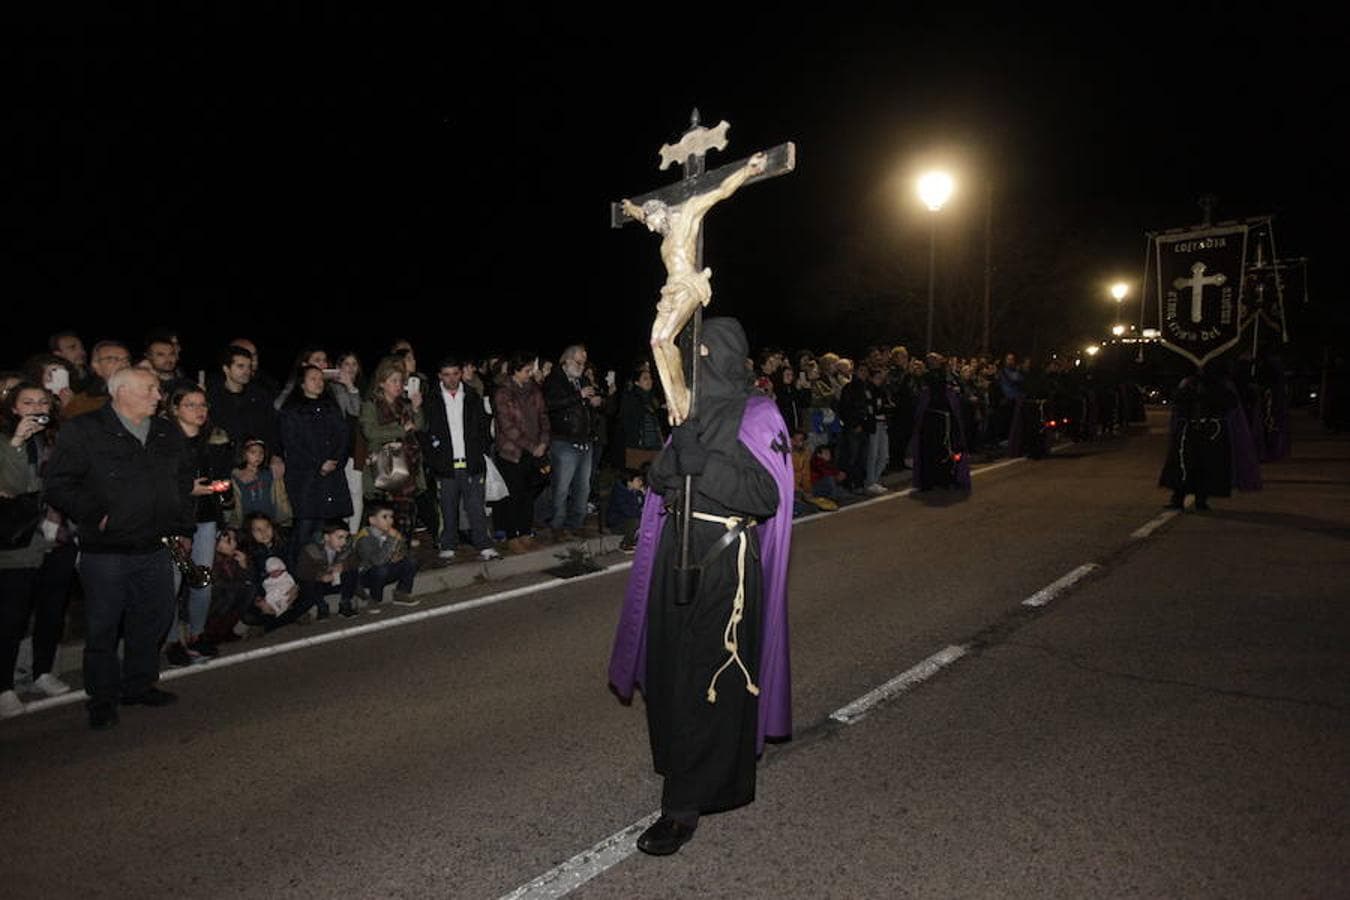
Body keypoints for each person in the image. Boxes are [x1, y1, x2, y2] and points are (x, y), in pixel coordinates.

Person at [608, 317, 794, 857]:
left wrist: (702, 463)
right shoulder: (688, 411)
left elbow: (766, 495)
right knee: (669, 674)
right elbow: (664, 479)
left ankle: (683, 805)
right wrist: (673, 461)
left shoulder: (759, 413)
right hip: (675, 554)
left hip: (724, 563)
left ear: (726, 355)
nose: (696, 366)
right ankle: (681, 761)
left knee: (702, 680)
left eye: (703, 354)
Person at [44, 367, 195, 730]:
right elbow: (59, 484)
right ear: (122, 392)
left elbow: (182, 481)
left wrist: (180, 527)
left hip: (156, 545)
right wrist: (95, 515)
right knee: (103, 627)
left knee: (153, 618)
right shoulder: (84, 430)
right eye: (151, 389)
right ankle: (102, 697)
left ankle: (139, 684)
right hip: (106, 551)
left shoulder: (164, 431)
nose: (159, 396)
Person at [1, 384, 78, 717]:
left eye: (42, 402)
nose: (35, 407)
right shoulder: (7, 440)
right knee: (11, 617)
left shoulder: (57, 439)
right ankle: (3, 687)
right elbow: (13, 486)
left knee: (51, 609)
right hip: (17, 540)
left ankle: (43, 671)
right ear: (13, 408)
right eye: (27, 402)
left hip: (58, 535)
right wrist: (17, 442)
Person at [163, 385, 234, 666]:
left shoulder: (212, 439)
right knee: (173, 582)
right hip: (174, 521)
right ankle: (171, 642)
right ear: (176, 408)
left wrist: (222, 489)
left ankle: (197, 635)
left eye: (203, 404)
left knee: (201, 582)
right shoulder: (165, 441)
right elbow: (159, 482)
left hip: (205, 517)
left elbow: (220, 478)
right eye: (191, 404)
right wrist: (187, 489)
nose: (199, 410)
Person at [423, 355, 499, 562]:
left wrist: (478, 451)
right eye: (446, 375)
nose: (452, 379)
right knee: (447, 508)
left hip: (471, 463)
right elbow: (425, 432)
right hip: (446, 466)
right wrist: (435, 459)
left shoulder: (473, 396)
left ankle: (484, 544)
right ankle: (448, 544)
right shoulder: (431, 400)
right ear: (440, 376)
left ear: (460, 373)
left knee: (476, 507)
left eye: (455, 374)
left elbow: (484, 427)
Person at [1159, 365, 1262, 510]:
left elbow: (1230, 404)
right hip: (1189, 429)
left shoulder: (1221, 385)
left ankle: (1201, 499)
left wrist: (1209, 395)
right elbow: (1178, 401)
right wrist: (1192, 394)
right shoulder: (1188, 383)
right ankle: (1178, 498)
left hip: (1211, 430)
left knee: (1207, 465)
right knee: (1183, 465)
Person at [280, 364, 353, 560]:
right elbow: (292, 444)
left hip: (332, 475)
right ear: (302, 383)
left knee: (324, 526)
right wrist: (318, 464)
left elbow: (343, 436)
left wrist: (336, 460)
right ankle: (296, 572)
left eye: (321, 379)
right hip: (305, 478)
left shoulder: (330, 406)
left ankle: (318, 573)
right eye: (313, 379)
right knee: (305, 526)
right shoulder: (292, 411)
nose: (319, 383)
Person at [360, 356, 425, 542]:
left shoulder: (403, 404)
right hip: (385, 469)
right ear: (382, 383)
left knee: (407, 516)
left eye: (401, 381)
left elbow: (418, 425)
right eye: (394, 381)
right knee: (386, 517)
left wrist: (417, 408)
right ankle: (388, 558)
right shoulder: (371, 405)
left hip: (408, 467)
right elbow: (370, 432)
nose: (398, 385)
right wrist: (399, 430)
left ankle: (402, 553)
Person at [492, 352, 550, 553]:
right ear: (515, 371)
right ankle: (512, 535)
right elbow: (508, 427)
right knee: (513, 495)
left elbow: (543, 416)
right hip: (512, 452)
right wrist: (532, 446)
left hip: (534, 451)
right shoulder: (503, 393)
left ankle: (525, 532)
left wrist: (543, 441)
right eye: (527, 371)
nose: (530, 374)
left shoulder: (535, 390)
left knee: (527, 495)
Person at [544, 345, 603, 539]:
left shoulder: (583, 380)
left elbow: (588, 407)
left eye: (584, 362)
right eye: (578, 362)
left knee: (583, 486)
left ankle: (576, 523)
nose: (582, 366)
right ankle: (557, 525)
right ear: (567, 360)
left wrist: (596, 402)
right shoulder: (554, 380)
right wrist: (579, 396)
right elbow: (551, 405)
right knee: (561, 486)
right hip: (564, 441)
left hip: (585, 440)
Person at [911, 354, 972, 492]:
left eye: (935, 359)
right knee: (928, 449)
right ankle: (928, 480)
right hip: (930, 418)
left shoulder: (948, 376)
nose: (932, 362)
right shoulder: (925, 377)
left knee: (946, 449)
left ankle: (946, 479)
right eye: (930, 360)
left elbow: (958, 390)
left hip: (945, 419)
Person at [354, 501, 418, 608]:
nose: (390, 520)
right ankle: (374, 599)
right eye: (384, 517)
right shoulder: (365, 538)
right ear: (372, 520)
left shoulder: (388, 532)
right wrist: (392, 539)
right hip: (366, 575)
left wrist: (399, 554)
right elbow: (377, 561)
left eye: (391, 517)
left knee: (411, 561)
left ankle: (401, 592)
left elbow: (403, 549)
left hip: (385, 569)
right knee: (381, 569)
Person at [296, 518, 358, 618]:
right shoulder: (311, 549)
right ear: (327, 537)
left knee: (352, 572)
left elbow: (355, 561)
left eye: (346, 538)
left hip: (337, 582)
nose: (344, 542)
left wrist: (343, 566)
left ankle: (345, 604)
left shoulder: (346, 548)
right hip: (320, 585)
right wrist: (321, 576)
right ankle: (322, 606)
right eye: (340, 537)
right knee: (308, 582)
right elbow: (301, 571)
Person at [619, 366, 665, 470]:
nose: (649, 381)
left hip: (655, 446)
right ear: (637, 382)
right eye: (645, 378)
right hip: (638, 447)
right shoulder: (631, 398)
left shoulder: (653, 399)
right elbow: (628, 421)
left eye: (650, 378)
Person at [605, 467, 646, 551]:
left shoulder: (637, 492)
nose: (641, 483)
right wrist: (641, 513)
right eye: (638, 480)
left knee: (641, 519)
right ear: (629, 482)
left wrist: (644, 495)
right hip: (617, 523)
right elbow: (627, 511)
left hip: (629, 521)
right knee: (635, 521)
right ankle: (626, 543)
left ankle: (637, 540)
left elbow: (643, 506)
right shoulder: (620, 493)